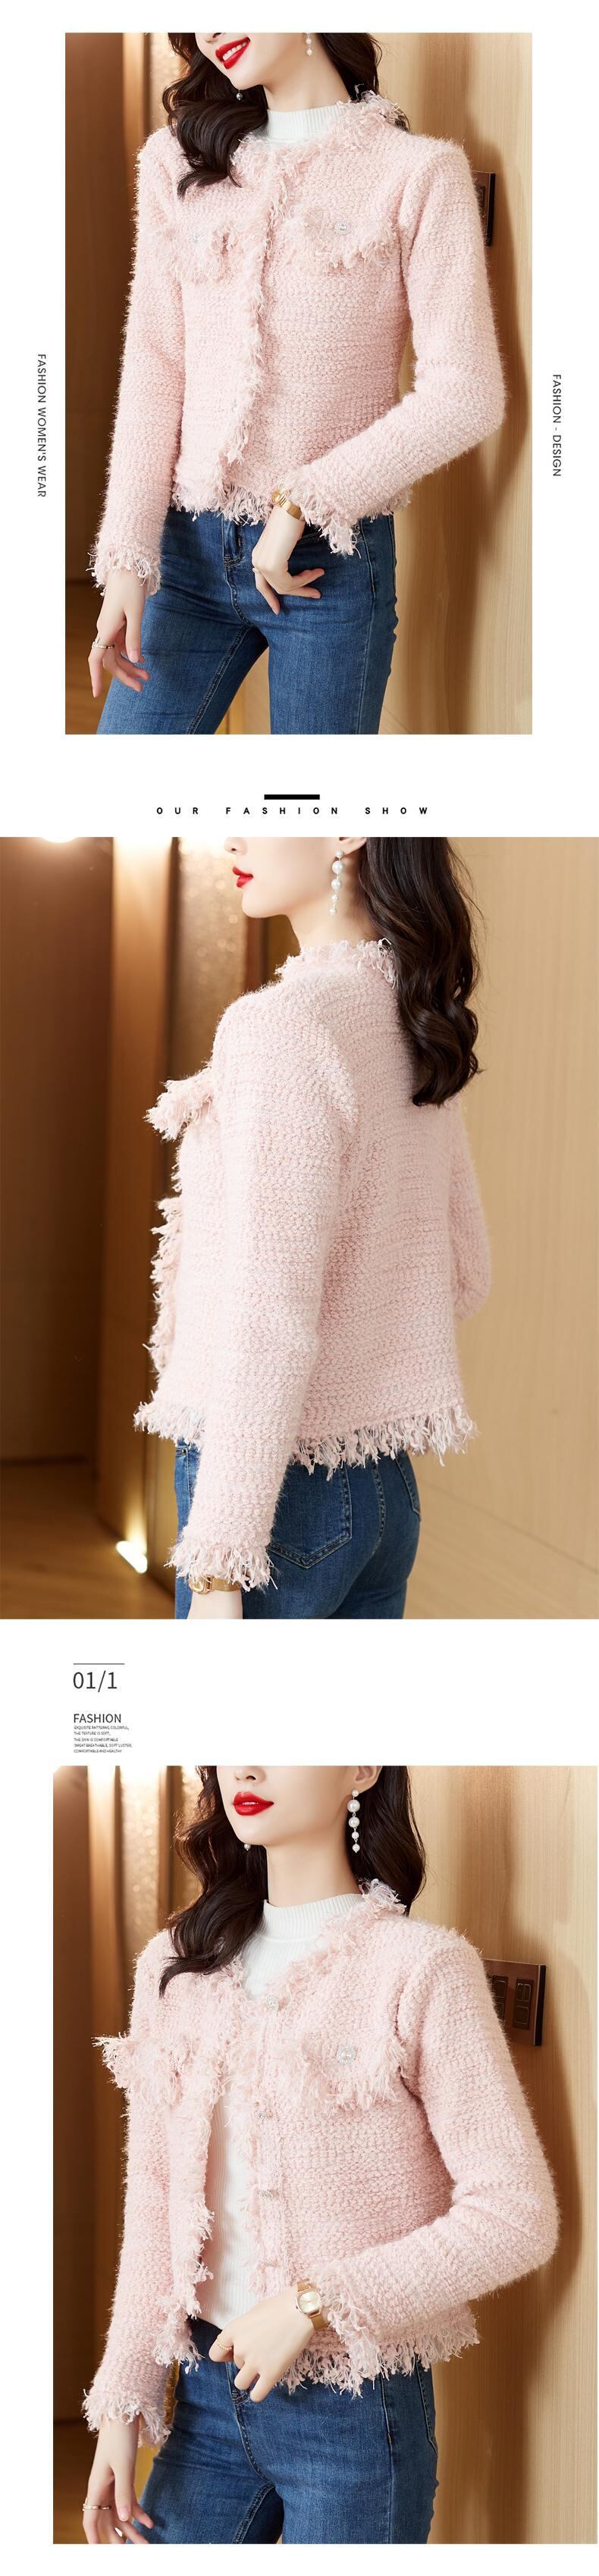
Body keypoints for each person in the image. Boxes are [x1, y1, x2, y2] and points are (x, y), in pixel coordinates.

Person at [82, 1764, 560, 2546]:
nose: (245, 1764)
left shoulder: (420, 1967)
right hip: (204, 2396)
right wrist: (123, 2400)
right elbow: (155, 2196)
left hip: (356, 2417)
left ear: (361, 1766)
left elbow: (515, 2214)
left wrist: (313, 2302)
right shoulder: (175, 1964)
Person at [88, 33, 505, 736]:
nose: (212, 28)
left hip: (328, 567)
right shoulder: (175, 163)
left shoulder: (418, 173)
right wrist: (128, 554)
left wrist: (303, 501)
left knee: (308, 798)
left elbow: (466, 392)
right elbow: (155, 364)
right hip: (185, 558)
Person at [136, 838, 491, 1621]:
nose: (231, 836)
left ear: (347, 832)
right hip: (382, 1487)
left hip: (270, 1500)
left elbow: (267, 1318)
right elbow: (465, 1270)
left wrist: (218, 1568)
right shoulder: (413, 1015)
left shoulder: (282, 1025)